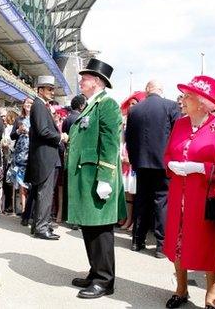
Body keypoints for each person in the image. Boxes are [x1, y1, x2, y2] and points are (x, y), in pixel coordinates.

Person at [163, 75, 215, 309]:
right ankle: (181, 289)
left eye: (187, 96)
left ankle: (211, 296)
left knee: (209, 246)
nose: (182, 100)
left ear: (202, 102)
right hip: (179, 197)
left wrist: (200, 168)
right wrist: (171, 165)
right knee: (178, 241)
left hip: (207, 198)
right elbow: (168, 155)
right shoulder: (180, 124)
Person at [66, 58, 125, 299]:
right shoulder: (92, 105)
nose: (81, 80)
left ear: (98, 82)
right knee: (89, 227)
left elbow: (110, 145)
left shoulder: (107, 104)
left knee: (100, 230)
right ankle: (95, 272)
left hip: (98, 175)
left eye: (86, 77)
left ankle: (105, 280)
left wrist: (105, 178)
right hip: (86, 175)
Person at [125, 80, 180, 257]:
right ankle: (161, 245)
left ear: (147, 90)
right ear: (161, 90)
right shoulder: (171, 106)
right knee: (161, 201)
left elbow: (129, 138)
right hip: (162, 162)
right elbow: (176, 135)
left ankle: (137, 240)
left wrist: (134, 159)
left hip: (141, 162)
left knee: (141, 200)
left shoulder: (135, 109)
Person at [25, 76, 67, 240]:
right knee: (45, 193)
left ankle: (40, 225)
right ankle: (42, 228)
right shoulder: (38, 105)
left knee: (43, 192)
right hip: (45, 156)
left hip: (46, 156)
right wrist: (60, 137)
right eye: (49, 89)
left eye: (52, 89)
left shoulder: (41, 105)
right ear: (40, 90)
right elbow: (43, 130)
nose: (52, 92)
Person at [119, 91, 146, 231]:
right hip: (125, 154)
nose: (131, 107)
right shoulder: (125, 120)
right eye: (130, 104)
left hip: (135, 158)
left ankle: (135, 221)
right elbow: (121, 139)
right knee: (127, 191)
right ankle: (127, 218)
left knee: (137, 193)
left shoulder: (142, 120)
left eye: (134, 104)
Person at [10, 97, 33, 221]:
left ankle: (31, 210)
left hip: (32, 154)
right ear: (23, 105)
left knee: (31, 185)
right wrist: (19, 130)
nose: (28, 105)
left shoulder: (36, 119)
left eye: (31, 103)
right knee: (22, 184)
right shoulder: (19, 119)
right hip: (20, 154)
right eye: (26, 103)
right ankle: (24, 211)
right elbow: (12, 136)